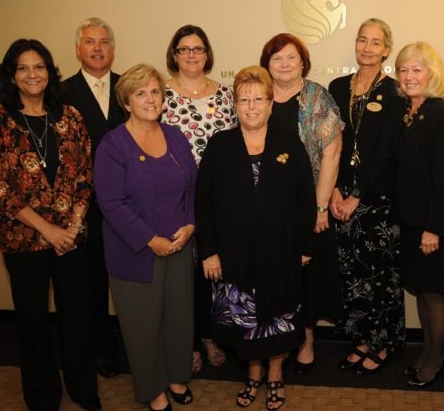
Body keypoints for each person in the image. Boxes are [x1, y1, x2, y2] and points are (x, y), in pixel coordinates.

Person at [0, 39, 100, 411]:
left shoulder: (71, 117)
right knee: (32, 323)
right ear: (11, 76)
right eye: (23, 68)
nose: (33, 74)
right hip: (24, 242)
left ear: (50, 71)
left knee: (78, 319)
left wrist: (74, 225)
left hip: (73, 240)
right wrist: (48, 230)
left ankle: (82, 389)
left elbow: (84, 176)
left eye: (40, 66)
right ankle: (42, 396)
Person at [195, 66, 316, 410]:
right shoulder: (220, 145)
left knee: (277, 317)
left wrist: (306, 247)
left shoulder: (288, 143)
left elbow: (306, 199)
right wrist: (209, 252)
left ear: (270, 103)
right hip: (233, 256)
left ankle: (275, 374)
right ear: (234, 104)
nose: (251, 106)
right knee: (244, 323)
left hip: (282, 252)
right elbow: (202, 201)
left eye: (258, 99)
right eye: (244, 99)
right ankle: (253, 374)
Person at [94, 64, 197, 411]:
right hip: (135, 253)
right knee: (143, 327)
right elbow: (110, 203)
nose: (150, 99)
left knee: (178, 318)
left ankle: (176, 376)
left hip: (180, 247)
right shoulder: (113, 145)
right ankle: (153, 389)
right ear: (126, 100)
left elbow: (193, 187)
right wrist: (150, 239)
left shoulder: (176, 137)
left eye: (155, 92)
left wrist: (191, 224)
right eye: (141, 93)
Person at [259, 33, 344, 375]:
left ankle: (306, 340)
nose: (284, 64)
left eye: (291, 58)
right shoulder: (258, 96)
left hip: (307, 204)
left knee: (307, 276)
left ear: (303, 62)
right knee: (271, 273)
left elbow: (332, 152)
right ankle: (274, 340)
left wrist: (320, 207)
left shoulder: (316, 97)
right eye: (276, 58)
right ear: (267, 63)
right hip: (265, 205)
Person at [328, 18, 405, 375]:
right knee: (351, 273)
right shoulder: (338, 86)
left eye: (376, 42)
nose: (367, 48)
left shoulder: (394, 91)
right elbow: (332, 144)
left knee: (380, 275)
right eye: (362, 40)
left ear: (386, 49)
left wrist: (358, 194)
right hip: (341, 195)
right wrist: (334, 189)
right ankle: (361, 339)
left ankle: (383, 343)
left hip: (377, 198)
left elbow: (387, 149)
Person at [162, 24, 236, 374]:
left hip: (218, 198)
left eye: (198, 48)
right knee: (182, 275)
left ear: (208, 54)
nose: (191, 55)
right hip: (174, 197)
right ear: (174, 55)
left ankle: (210, 336)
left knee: (214, 271)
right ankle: (188, 342)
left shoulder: (226, 94)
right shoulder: (160, 94)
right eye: (184, 49)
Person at [394, 41, 444, 388]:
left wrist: (433, 228)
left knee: (433, 292)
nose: (408, 76)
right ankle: (427, 351)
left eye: (416, 69)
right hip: (412, 220)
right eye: (403, 69)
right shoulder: (410, 112)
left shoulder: (441, 114)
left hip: (433, 222)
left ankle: (436, 359)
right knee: (421, 289)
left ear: (432, 74)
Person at [61, 17, 125, 379]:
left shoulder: (128, 88)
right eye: (90, 41)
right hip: (83, 210)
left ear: (113, 49)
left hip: (130, 204)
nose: (98, 48)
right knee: (92, 285)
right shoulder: (61, 93)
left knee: (133, 281)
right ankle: (102, 350)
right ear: (78, 49)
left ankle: (138, 345)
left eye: (104, 41)